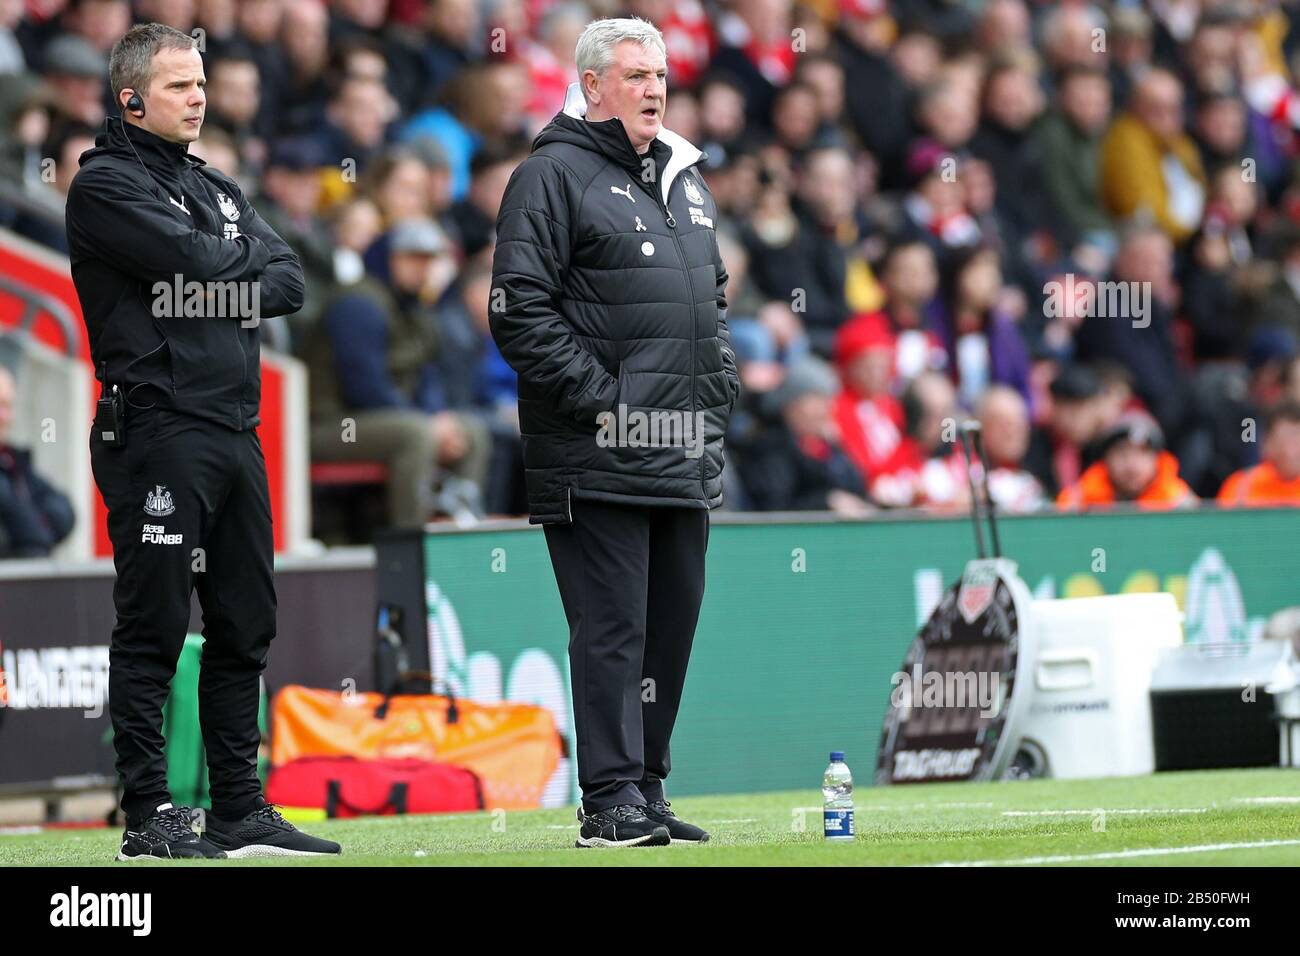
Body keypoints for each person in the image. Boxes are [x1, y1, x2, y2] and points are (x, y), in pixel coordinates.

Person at [64, 23, 337, 861]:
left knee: (245, 622)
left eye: (201, 83)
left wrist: (218, 262)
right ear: (131, 97)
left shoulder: (216, 187)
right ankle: (147, 814)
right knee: (151, 624)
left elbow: (289, 280)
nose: (198, 98)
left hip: (232, 429)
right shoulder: (104, 186)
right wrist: (227, 263)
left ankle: (238, 808)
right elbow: (191, 260)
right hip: (155, 429)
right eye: (180, 86)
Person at [490, 16, 738, 848]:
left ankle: (648, 785)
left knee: (674, 619)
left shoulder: (686, 176)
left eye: (661, 75)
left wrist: (719, 389)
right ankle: (608, 801)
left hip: (682, 445)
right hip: (595, 452)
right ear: (592, 86)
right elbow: (518, 311)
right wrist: (605, 401)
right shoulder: (550, 176)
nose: (655, 89)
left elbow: (714, 299)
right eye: (635, 76)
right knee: (612, 628)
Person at [0, 365, 75, 558]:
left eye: (8, 406)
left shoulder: (13, 461)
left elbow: (64, 512)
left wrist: (35, 527)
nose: (4, 416)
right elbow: (30, 538)